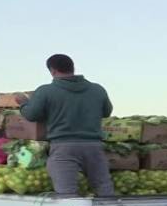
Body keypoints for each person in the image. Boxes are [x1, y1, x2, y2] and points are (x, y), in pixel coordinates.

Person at [15, 54, 114, 197]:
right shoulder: (98, 89)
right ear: (72, 68)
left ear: (53, 71)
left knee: (67, 194)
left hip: (64, 147)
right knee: (104, 188)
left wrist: (23, 103)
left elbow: (31, 115)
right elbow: (106, 112)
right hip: (94, 146)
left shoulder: (46, 91)